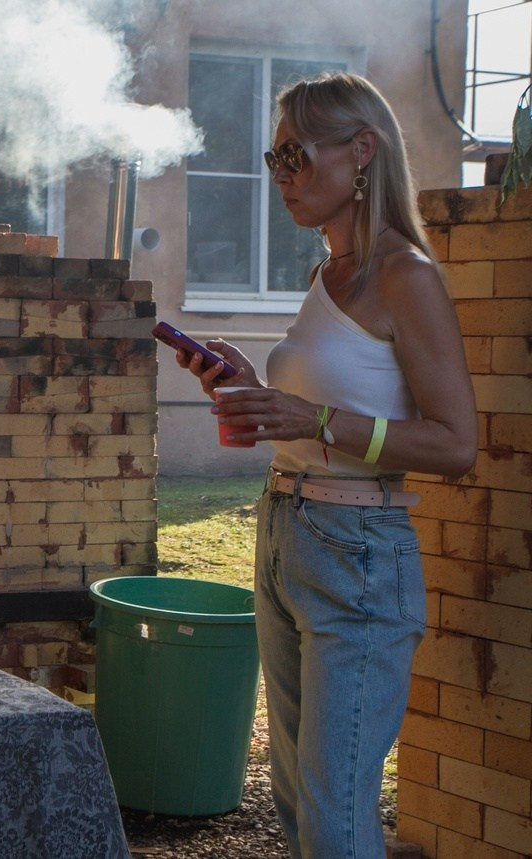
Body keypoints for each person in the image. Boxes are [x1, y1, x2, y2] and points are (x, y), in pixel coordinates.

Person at [172, 72, 476, 858]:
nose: (280, 176)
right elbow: (321, 416)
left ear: (362, 151)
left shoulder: (404, 274)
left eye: (295, 157)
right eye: (273, 158)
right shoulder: (326, 276)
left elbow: (454, 443)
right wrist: (251, 387)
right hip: (288, 533)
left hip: (361, 552)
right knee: (299, 800)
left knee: (336, 807)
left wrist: (313, 418)